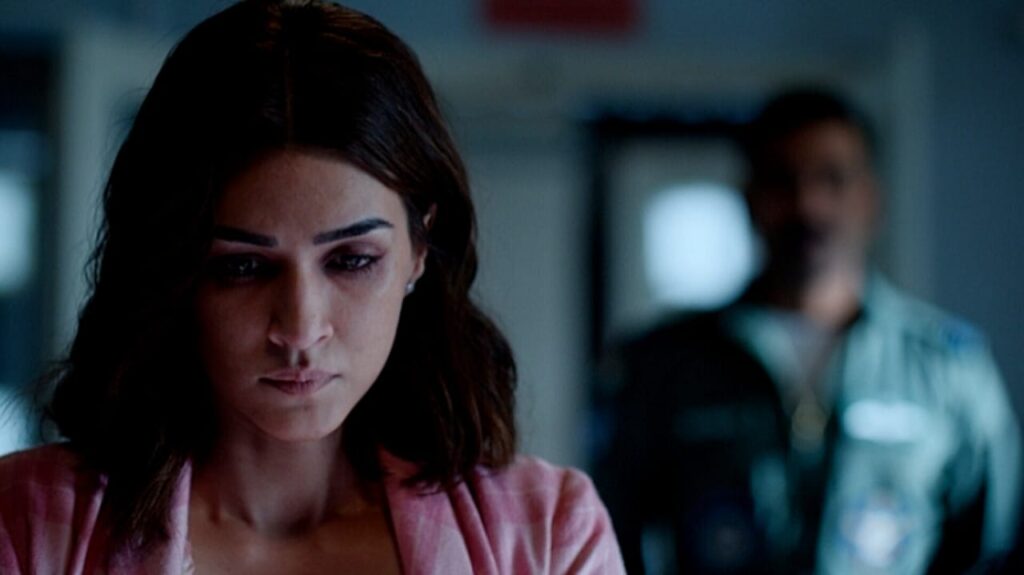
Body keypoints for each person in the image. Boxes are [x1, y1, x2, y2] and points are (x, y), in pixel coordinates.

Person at [0, 1, 626, 572]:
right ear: (174, 269)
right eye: (243, 267)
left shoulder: (549, 534)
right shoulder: (24, 521)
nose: (300, 328)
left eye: (351, 260)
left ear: (419, 250)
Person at [593, 88, 1021, 574]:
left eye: (832, 179)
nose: (807, 204)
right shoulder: (665, 363)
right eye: (782, 180)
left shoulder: (948, 366)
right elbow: (616, 540)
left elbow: (993, 549)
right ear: (750, 199)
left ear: (870, 199)